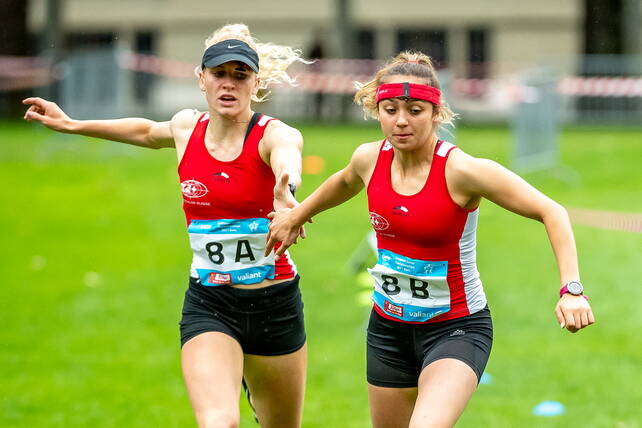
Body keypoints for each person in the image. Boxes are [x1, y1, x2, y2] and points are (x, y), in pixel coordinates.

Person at [265, 51, 595, 428]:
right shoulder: (368, 159)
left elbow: (553, 212)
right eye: (390, 110)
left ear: (436, 112)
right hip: (388, 330)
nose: (401, 121)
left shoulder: (463, 171)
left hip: (455, 328)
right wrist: (297, 214)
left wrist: (571, 289)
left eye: (415, 110)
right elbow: (342, 182)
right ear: (378, 110)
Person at [24, 23, 309, 428]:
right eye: (219, 74)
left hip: (275, 303)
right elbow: (144, 130)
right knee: (219, 423)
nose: (228, 85)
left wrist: (286, 188)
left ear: (255, 83)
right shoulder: (185, 127)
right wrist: (72, 124)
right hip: (211, 305)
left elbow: (287, 155)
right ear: (201, 78)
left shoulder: (272, 134)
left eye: (240, 75)